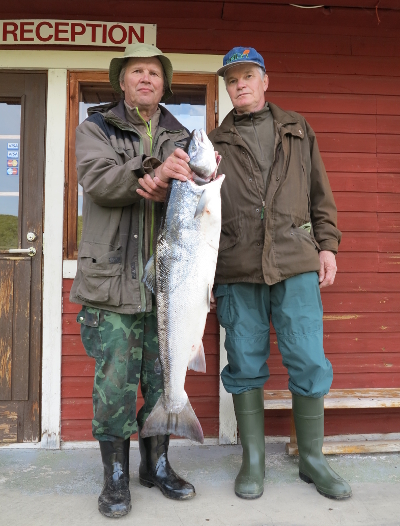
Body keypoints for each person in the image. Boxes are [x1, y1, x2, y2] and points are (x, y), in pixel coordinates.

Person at [209, 47, 352, 501]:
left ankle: (312, 459)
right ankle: (253, 461)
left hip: (295, 262)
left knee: (308, 359)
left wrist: (327, 246)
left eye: (248, 76)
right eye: (232, 80)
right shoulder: (214, 143)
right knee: (244, 363)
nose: (240, 85)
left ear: (265, 81)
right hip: (237, 267)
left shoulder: (297, 128)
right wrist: (205, 276)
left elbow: (320, 193)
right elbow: (201, 214)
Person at [69, 43, 195, 518]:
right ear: (121, 81)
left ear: (164, 84)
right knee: (114, 387)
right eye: (137, 71)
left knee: (164, 382)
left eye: (154, 73)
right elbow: (99, 180)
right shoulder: (95, 128)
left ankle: (156, 465)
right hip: (111, 284)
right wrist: (153, 172)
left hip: (168, 288)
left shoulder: (183, 137)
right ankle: (116, 476)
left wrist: (197, 179)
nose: (146, 78)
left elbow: (193, 201)